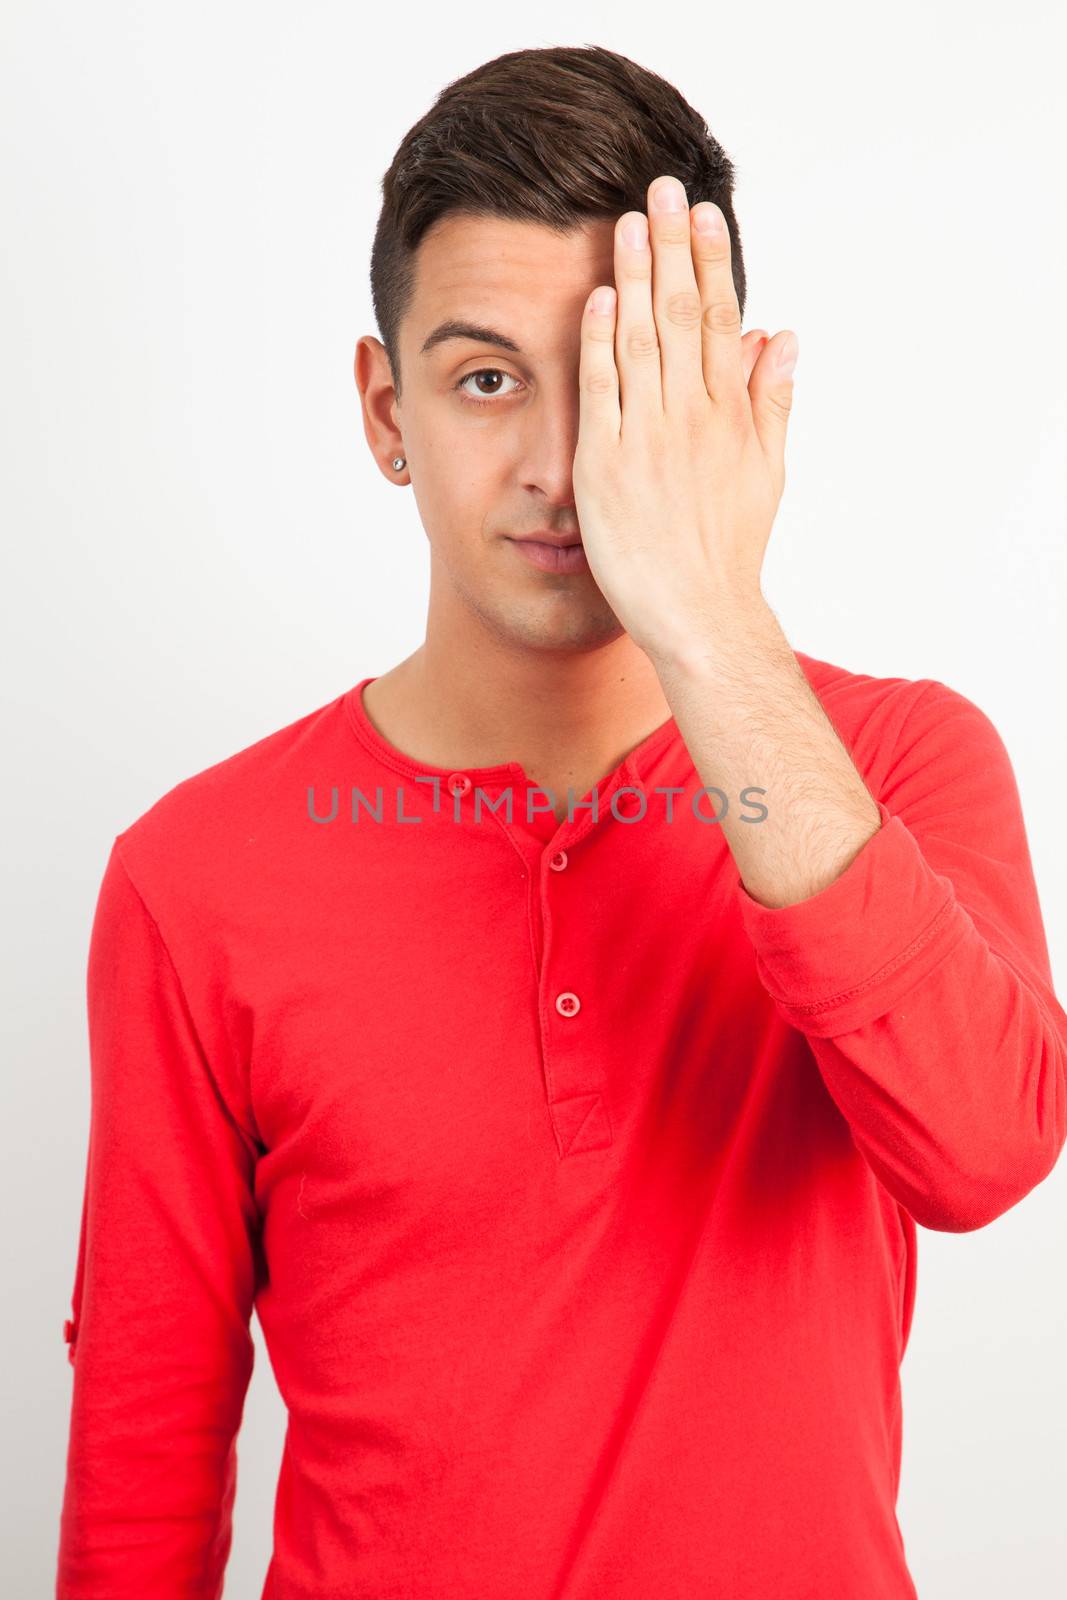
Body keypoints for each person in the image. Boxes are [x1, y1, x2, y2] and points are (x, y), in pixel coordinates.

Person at [55, 43, 1066, 1600]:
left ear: (719, 399)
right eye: (483, 380)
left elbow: (987, 1151)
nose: (555, 467)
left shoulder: (901, 767)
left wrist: (709, 622)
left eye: (614, 384)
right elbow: (142, 1462)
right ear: (388, 414)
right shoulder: (194, 879)